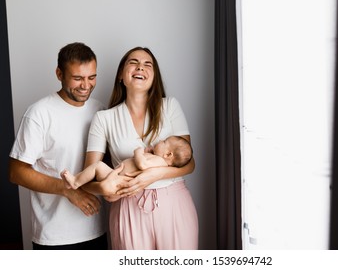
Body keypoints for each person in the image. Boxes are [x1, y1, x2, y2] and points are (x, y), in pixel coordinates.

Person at [82, 46, 199, 250]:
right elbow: (87, 179)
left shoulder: (170, 106)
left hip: (173, 204)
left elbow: (190, 165)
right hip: (127, 206)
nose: (140, 67)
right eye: (133, 62)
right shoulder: (104, 118)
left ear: (154, 76)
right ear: (121, 74)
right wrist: (103, 188)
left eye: (147, 64)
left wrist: (154, 176)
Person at [8, 42, 117, 250]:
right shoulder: (39, 114)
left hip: (97, 229)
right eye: (77, 78)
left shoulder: (100, 111)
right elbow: (16, 172)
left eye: (91, 77)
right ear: (59, 74)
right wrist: (69, 191)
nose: (86, 85)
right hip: (54, 237)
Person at [60, 135, 193, 192]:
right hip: (117, 177)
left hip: (118, 178)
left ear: (168, 154)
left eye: (163, 142)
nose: (160, 141)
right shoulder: (158, 160)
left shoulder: (160, 161)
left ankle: (76, 182)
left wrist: (139, 152)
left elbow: (142, 165)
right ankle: (76, 181)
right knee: (97, 167)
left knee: (98, 166)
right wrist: (148, 153)